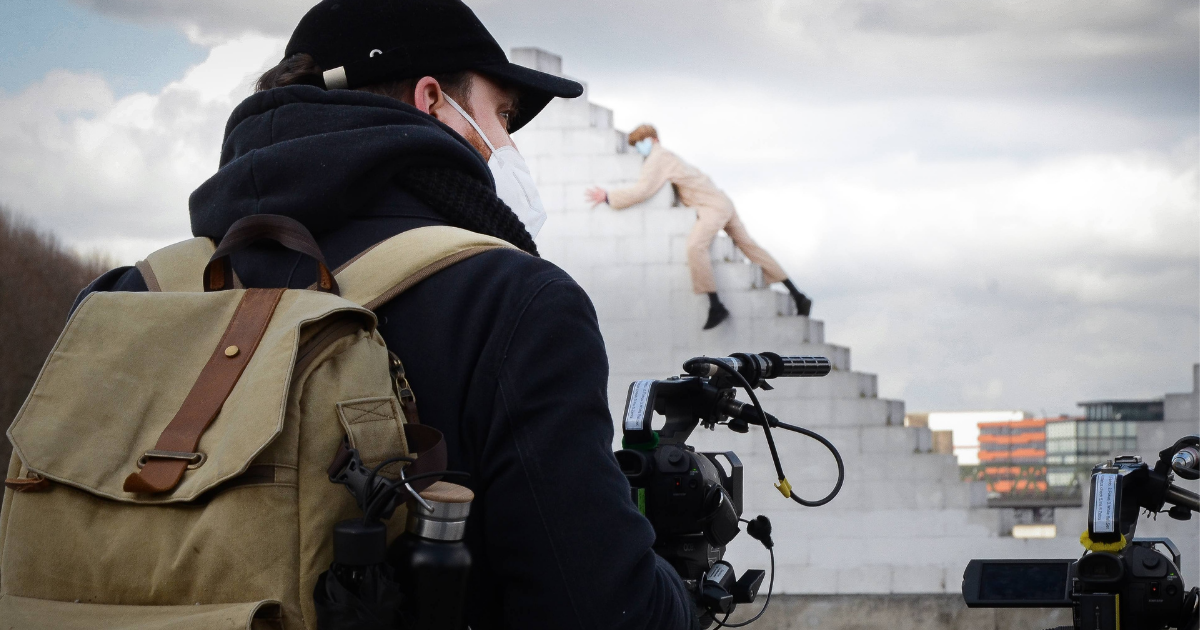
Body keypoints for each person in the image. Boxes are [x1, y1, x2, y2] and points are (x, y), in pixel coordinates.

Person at [72, 1, 696, 629]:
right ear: (431, 100)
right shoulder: (513, 303)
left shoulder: (129, 294)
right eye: (502, 114)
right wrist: (677, 579)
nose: (506, 143)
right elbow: (597, 610)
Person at [586, 125, 812, 329]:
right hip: (722, 202)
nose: (639, 150)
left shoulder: (658, 157)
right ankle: (797, 296)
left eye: (641, 143)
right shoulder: (668, 156)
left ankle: (715, 305)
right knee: (750, 248)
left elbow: (643, 190)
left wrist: (609, 197)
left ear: (653, 140)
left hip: (711, 207)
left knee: (695, 247)